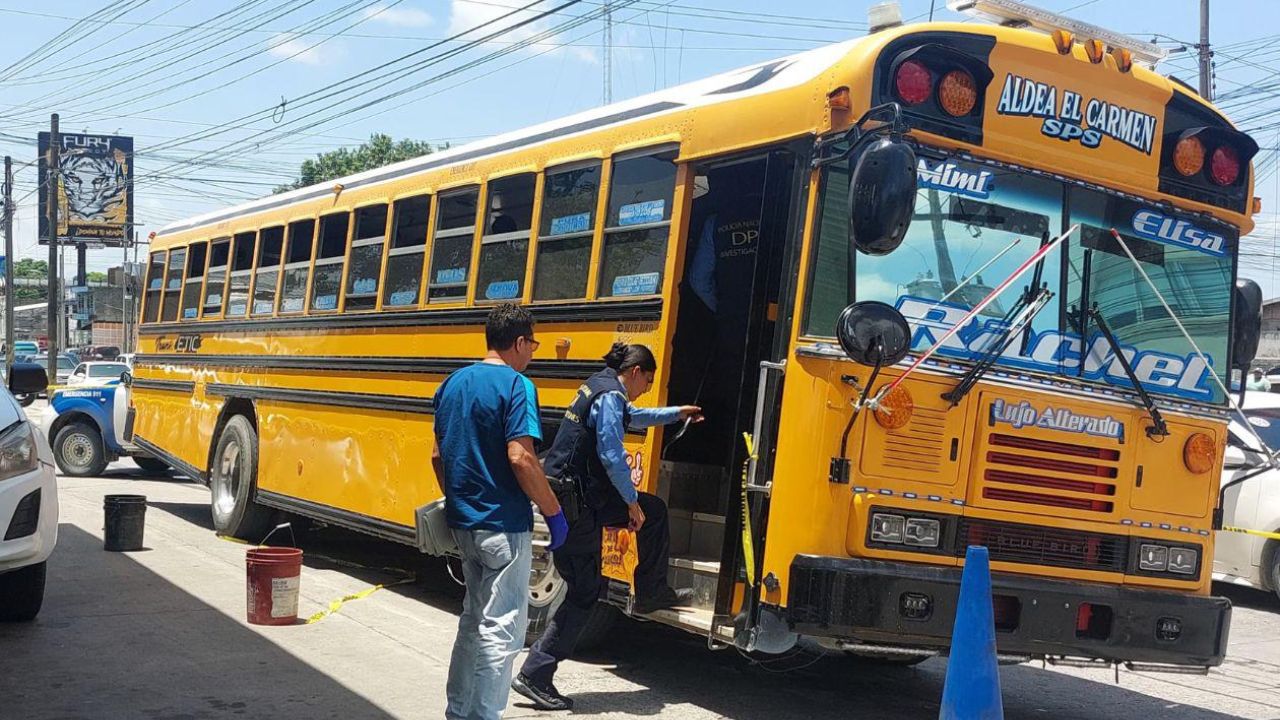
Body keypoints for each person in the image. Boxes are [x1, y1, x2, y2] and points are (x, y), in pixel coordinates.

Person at [513, 342, 703, 711]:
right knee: (586, 589)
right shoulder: (609, 397)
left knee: (653, 513)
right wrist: (630, 502)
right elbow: (613, 454)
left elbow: (636, 416)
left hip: (582, 500)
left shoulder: (601, 387)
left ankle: (650, 591)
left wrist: (675, 414)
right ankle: (535, 674)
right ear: (634, 373)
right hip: (578, 504)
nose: (645, 389)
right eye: (646, 382)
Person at [433, 303, 570, 720]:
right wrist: (553, 513)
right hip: (504, 526)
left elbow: (438, 457)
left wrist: (460, 501)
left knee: (473, 622)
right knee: (502, 630)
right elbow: (521, 458)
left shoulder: (453, 383)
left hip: (465, 525)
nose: (533, 353)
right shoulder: (517, 386)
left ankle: (458, 712)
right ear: (518, 342)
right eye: (533, 344)